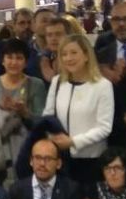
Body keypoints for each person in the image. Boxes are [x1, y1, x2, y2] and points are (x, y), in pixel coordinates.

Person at [42, 34, 114, 184]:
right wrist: (52, 137)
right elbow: (48, 115)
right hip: (61, 158)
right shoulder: (57, 82)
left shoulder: (102, 85)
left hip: (91, 160)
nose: (69, 58)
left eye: (74, 53)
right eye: (64, 54)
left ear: (86, 55)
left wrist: (73, 141)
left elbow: (104, 127)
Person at [0, 38, 46, 183]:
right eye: (9, 57)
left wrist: (25, 112)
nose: (13, 62)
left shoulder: (36, 84)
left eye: (19, 58)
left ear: (26, 62)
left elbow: (41, 122)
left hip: (25, 149)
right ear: (2, 60)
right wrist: (0, 111)